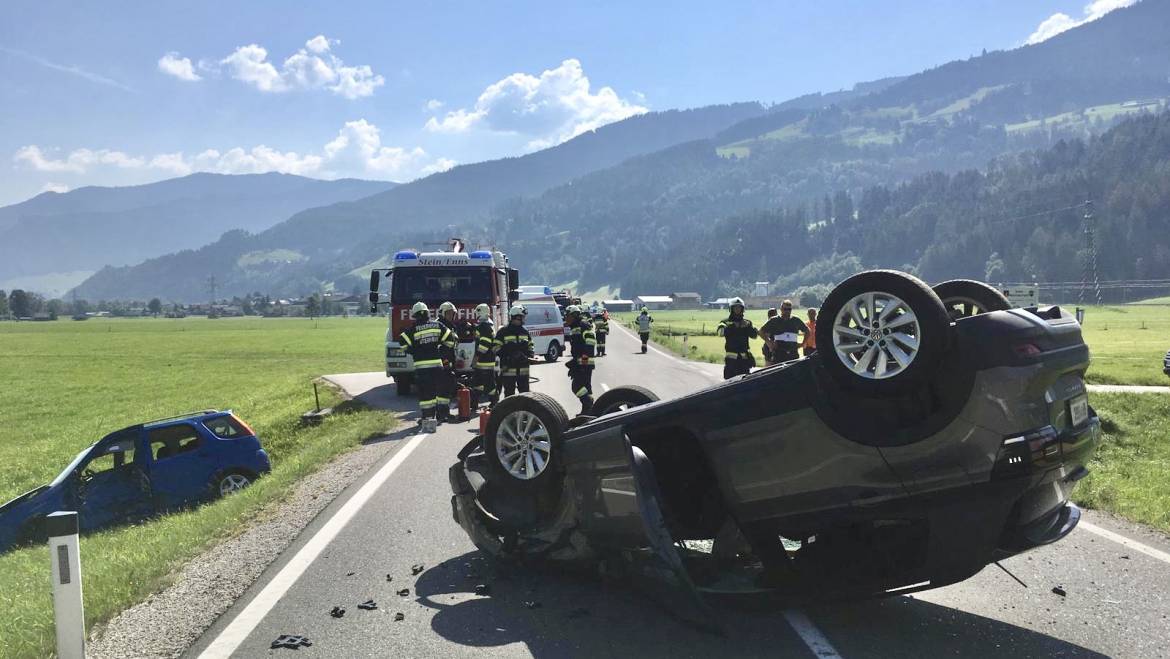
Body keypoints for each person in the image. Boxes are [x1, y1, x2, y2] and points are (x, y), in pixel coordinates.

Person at [399, 302, 455, 432]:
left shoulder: (413, 329)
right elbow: (451, 339)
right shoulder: (437, 325)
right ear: (427, 313)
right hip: (437, 366)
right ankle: (441, 414)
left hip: (422, 367)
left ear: (415, 315)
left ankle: (427, 418)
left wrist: (414, 351)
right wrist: (441, 351)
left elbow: (402, 342)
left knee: (426, 395)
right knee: (439, 390)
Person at [564, 305, 597, 414]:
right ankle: (588, 411)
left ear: (574, 315)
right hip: (582, 362)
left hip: (585, 362)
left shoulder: (583, 325)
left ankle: (588, 402)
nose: (566, 318)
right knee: (586, 387)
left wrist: (581, 363)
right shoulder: (575, 327)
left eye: (567, 315)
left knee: (576, 386)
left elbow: (590, 344)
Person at [495, 305, 533, 398]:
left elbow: (531, 346)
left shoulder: (525, 332)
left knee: (525, 396)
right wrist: (508, 352)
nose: (524, 319)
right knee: (509, 395)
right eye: (522, 316)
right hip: (508, 369)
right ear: (517, 317)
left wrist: (528, 354)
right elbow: (495, 348)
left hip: (523, 370)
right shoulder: (503, 332)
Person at [717, 297, 758, 379]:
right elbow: (720, 333)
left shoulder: (747, 322)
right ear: (731, 309)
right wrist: (733, 326)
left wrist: (749, 327)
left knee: (744, 382)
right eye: (735, 307)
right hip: (731, 359)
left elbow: (754, 336)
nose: (737, 309)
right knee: (729, 383)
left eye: (739, 307)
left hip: (744, 359)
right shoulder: (725, 322)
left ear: (742, 309)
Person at [435, 301, 460, 423]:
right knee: (442, 388)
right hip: (443, 361)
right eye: (448, 313)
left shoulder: (450, 326)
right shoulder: (438, 326)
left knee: (447, 387)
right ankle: (441, 414)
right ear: (442, 314)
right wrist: (444, 362)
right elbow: (439, 347)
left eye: (452, 313)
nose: (450, 316)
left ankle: (444, 412)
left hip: (449, 359)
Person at [761, 299, 808, 364]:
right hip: (779, 354)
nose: (787, 311)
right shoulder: (774, 320)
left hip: (793, 355)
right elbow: (761, 331)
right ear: (781, 309)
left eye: (789, 309)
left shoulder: (796, 320)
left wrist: (803, 343)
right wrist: (768, 342)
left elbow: (807, 331)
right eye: (785, 309)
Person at [470, 303, 498, 409]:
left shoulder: (484, 326)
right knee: (478, 382)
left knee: (488, 383)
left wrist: (476, 358)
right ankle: (474, 402)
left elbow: (484, 345)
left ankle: (494, 401)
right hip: (487, 359)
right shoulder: (488, 324)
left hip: (484, 360)